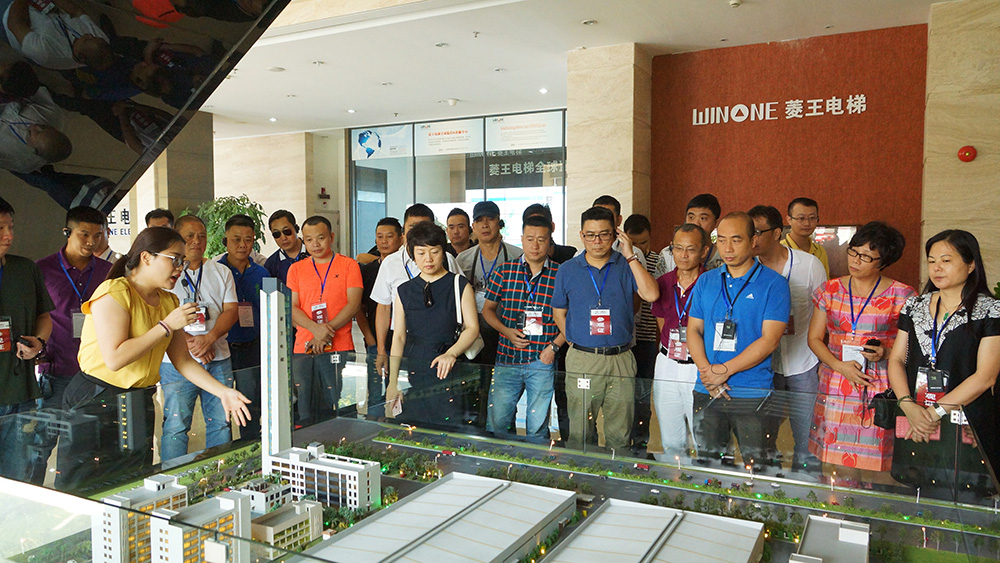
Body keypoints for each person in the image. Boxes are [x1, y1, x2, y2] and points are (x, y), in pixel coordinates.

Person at [60, 226, 249, 488]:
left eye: (182, 261)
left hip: (137, 399)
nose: (180, 268)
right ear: (147, 257)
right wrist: (166, 326)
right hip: (97, 397)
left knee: (133, 479)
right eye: (174, 259)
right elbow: (115, 358)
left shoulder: (168, 301)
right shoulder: (114, 292)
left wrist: (223, 392)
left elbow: (183, 361)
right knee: (83, 484)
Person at [888, 230, 1000, 486]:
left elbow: (985, 377)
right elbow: (896, 360)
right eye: (931, 261)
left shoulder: (990, 310)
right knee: (914, 488)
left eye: (946, 260)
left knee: (966, 490)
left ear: (971, 265)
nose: (936, 268)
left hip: (965, 420)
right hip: (915, 417)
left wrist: (933, 413)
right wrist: (908, 406)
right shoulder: (914, 305)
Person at [807, 221, 915, 473]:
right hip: (836, 379)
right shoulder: (830, 290)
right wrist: (838, 366)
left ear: (883, 262)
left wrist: (886, 353)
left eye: (866, 256)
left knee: (876, 459)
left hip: (879, 383)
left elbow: (912, 348)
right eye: (853, 252)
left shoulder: (902, 295)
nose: (855, 260)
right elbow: (814, 338)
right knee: (833, 460)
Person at [552, 206, 659, 452]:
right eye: (590, 235)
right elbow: (559, 312)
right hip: (583, 359)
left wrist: (630, 255)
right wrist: (574, 341)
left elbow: (652, 294)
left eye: (604, 234)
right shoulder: (567, 269)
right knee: (580, 433)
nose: (597, 241)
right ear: (581, 235)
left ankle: (615, 474)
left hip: (621, 358)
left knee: (620, 433)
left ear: (615, 234)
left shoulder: (626, 265)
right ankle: (582, 473)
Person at [687, 212, 790, 465]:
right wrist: (707, 373)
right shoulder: (706, 280)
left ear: (753, 240)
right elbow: (693, 330)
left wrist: (723, 370)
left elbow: (769, 340)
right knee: (709, 464)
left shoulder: (774, 284)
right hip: (707, 388)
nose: (728, 248)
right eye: (721, 240)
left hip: (751, 391)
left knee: (758, 465)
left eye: (736, 240)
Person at [749, 205, 826, 471]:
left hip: (803, 363)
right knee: (763, 436)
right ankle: (769, 484)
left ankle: (806, 488)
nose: (752, 239)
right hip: (762, 365)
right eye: (749, 233)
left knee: (807, 437)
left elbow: (824, 313)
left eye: (758, 232)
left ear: (776, 232)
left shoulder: (810, 265)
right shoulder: (747, 269)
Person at [159, 215, 239, 462]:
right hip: (176, 363)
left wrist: (209, 338)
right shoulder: (165, 274)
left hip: (218, 357)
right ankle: (172, 477)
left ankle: (219, 474)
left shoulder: (221, 271)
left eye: (201, 236)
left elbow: (231, 311)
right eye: (189, 236)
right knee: (175, 427)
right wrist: (192, 344)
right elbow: (159, 314)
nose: (197, 241)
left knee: (220, 423)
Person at [388, 222, 479, 426]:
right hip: (416, 371)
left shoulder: (459, 285)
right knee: (416, 428)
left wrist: (451, 353)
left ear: (443, 252)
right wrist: (393, 382)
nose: (428, 259)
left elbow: (472, 328)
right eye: (421, 253)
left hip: (451, 371)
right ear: (412, 255)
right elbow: (399, 337)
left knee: (451, 427)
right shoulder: (404, 291)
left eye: (434, 252)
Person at [483, 214, 564, 444]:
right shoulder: (505, 271)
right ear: (521, 239)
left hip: (542, 358)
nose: (535, 245)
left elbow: (571, 320)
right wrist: (506, 331)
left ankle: (533, 464)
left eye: (541, 239)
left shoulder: (561, 274)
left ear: (550, 241)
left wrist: (553, 347)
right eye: (530, 239)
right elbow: (487, 311)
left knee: (537, 429)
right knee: (498, 422)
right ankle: (499, 462)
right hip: (507, 357)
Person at [286, 215, 362, 425]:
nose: (315, 244)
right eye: (309, 239)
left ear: (332, 237)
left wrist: (324, 332)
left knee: (339, 402)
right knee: (305, 405)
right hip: (304, 347)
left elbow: (353, 304)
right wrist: (315, 329)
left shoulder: (349, 265)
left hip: (340, 345)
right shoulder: (296, 269)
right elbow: (292, 307)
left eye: (320, 238)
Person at [371, 204, 460, 380]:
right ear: (403, 231)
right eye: (413, 227)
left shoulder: (446, 259)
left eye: (425, 227)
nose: (419, 233)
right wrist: (381, 350)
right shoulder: (390, 263)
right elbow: (383, 308)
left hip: (443, 344)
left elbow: (459, 293)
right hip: (401, 341)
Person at [0, 196, 53, 480]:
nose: (9, 235)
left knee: (18, 477)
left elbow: (44, 316)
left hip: (20, 391)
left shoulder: (24, 269)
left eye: (11, 227)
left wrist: (39, 343)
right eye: (0, 228)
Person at [650, 224, 708, 458]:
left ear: (704, 251)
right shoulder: (663, 282)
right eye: (678, 248)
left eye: (691, 249)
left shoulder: (711, 283)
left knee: (703, 435)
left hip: (699, 365)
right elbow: (661, 321)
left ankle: (706, 478)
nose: (683, 255)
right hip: (668, 362)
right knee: (671, 436)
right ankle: (677, 476)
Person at [217, 214, 268, 441]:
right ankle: (223, 447)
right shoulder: (216, 271)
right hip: (222, 347)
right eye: (236, 239)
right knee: (221, 402)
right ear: (225, 240)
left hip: (252, 346)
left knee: (250, 398)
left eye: (248, 240)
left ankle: (251, 443)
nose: (242, 245)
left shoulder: (262, 273)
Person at [356, 217, 402, 410]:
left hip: (402, 341)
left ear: (401, 238)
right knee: (375, 391)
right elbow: (360, 308)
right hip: (375, 341)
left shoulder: (406, 268)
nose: (384, 241)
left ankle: (399, 424)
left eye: (389, 236)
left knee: (399, 389)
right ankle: (375, 422)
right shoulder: (368, 270)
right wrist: (370, 338)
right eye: (379, 237)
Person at [624, 213, 659, 450]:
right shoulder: (621, 259)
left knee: (642, 397)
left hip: (647, 340)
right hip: (626, 340)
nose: (639, 248)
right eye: (633, 243)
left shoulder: (659, 261)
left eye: (643, 243)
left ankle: (640, 444)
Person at [3, 0, 113, 70]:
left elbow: (14, 23)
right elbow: (76, 11)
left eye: (86, 40)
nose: (89, 35)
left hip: (11, 14)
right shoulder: (100, 41)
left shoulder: (45, 53)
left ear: (79, 55)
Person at [0, 85, 71, 174]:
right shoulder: (50, 113)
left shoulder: (17, 160)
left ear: (34, 149)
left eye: (37, 133)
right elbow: (34, 89)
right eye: (45, 127)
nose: (37, 126)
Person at [655, 193, 724, 277]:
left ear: (715, 223)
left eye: (703, 218)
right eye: (691, 217)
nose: (696, 223)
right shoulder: (668, 254)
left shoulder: (723, 257)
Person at [784, 197, 831, 278]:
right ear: (789, 220)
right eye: (801, 218)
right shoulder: (781, 250)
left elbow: (825, 282)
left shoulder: (820, 251)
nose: (807, 223)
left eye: (812, 218)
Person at [263, 209, 308, 283]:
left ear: (296, 229)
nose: (283, 238)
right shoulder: (271, 264)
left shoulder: (314, 253)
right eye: (277, 234)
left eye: (286, 231)